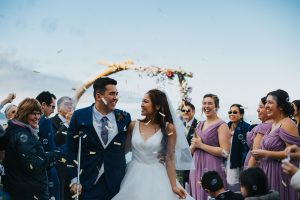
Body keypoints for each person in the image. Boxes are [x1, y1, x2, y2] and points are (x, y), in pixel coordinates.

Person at [112, 89, 193, 200]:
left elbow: (170, 158)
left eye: (145, 101)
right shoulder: (133, 125)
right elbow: (123, 150)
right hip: (133, 175)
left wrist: (173, 186)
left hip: (157, 176)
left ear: (157, 106)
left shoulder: (169, 128)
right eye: (142, 101)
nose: (141, 105)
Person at [66, 77, 131, 199]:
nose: (116, 97)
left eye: (117, 94)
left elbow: (134, 141)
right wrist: (75, 179)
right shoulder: (80, 116)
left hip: (116, 181)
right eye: (111, 94)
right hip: (87, 181)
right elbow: (71, 149)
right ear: (98, 96)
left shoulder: (124, 117)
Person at [2, 98, 60, 200]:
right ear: (24, 114)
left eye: (39, 114)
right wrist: (54, 154)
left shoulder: (16, 131)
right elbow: (33, 165)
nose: (37, 117)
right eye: (33, 113)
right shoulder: (22, 135)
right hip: (28, 193)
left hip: (22, 191)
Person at [251, 89, 300, 200]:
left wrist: (265, 153)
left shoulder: (288, 124)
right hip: (267, 171)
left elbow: (296, 154)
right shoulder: (274, 124)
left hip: (280, 175)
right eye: (266, 102)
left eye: (270, 102)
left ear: (281, 106)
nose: (266, 106)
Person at [189, 94, 231, 200]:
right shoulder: (199, 124)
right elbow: (194, 146)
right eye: (204, 103)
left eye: (210, 103)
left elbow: (225, 152)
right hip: (196, 165)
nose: (206, 106)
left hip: (212, 166)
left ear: (216, 106)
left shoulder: (222, 125)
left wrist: (201, 145)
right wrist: (192, 147)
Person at [36, 91, 60, 200]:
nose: (53, 110)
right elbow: (49, 147)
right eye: (52, 107)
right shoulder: (45, 121)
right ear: (43, 105)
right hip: (47, 168)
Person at [51, 96, 74, 200]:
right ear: (58, 108)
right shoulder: (50, 122)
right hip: (58, 169)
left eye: (71, 104)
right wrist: (67, 124)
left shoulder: (76, 123)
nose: (70, 107)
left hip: (73, 168)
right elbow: (54, 141)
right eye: (67, 104)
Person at [227, 104, 250, 191]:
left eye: (235, 112)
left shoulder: (246, 127)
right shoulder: (226, 126)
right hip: (227, 160)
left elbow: (247, 147)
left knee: (238, 187)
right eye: (230, 112)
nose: (232, 114)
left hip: (239, 162)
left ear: (241, 115)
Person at [244, 97, 272, 168]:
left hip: (254, 167)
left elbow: (255, 153)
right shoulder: (272, 125)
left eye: (261, 107)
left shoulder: (263, 127)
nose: (257, 110)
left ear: (269, 109)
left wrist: (248, 172)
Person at [178, 101, 198, 188]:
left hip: (194, 160)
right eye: (183, 110)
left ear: (193, 111)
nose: (185, 112)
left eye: (188, 110)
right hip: (182, 161)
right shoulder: (180, 125)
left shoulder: (198, 125)